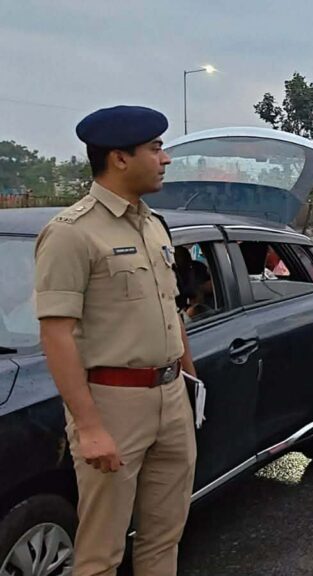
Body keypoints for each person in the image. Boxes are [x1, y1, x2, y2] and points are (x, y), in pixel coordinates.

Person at [34, 105, 197, 576]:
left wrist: (188, 380)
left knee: (164, 537)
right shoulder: (72, 233)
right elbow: (56, 333)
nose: (164, 159)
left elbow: (171, 307)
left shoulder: (152, 224)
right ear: (119, 158)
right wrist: (89, 427)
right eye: (156, 149)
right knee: (101, 552)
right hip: (113, 403)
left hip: (170, 398)